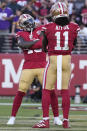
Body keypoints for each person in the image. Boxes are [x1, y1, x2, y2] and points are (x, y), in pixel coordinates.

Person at [7, 14, 62, 126]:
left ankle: (56, 117)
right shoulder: (20, 33)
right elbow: (22, 44)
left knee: (51, 91)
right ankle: (12, 117)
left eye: (31, 21)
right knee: (21, 91)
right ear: (22, 25)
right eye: (27, 22)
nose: (30, 24)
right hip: (28, 66)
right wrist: (34, 43)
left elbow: (42, 43)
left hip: (43, 65)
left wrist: (30, 45)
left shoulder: (40, 29)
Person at [33, 1, 80, 128]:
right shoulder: (74, 26)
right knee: (65, 91)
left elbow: (44, 46)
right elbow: (74, 43)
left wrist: (48, 50)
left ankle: (46, 120)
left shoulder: (48, 27)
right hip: (66, 59)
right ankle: (65, 121)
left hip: (53, 59)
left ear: (54, 13)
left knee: (46, 90)